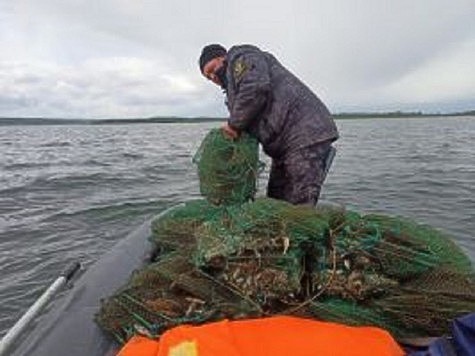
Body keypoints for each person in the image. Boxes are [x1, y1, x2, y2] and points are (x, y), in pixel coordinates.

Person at [199, 44, 339, 205]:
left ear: (221, 57)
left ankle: (302, 228)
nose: (212, 77)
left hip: (305, 133)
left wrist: (233, 126)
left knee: (299, 203)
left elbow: (255, 87)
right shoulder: (233, 90)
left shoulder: (241, 56)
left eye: (211, 69)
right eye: (208, 77)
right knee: (276, 200)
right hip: (283, 148)